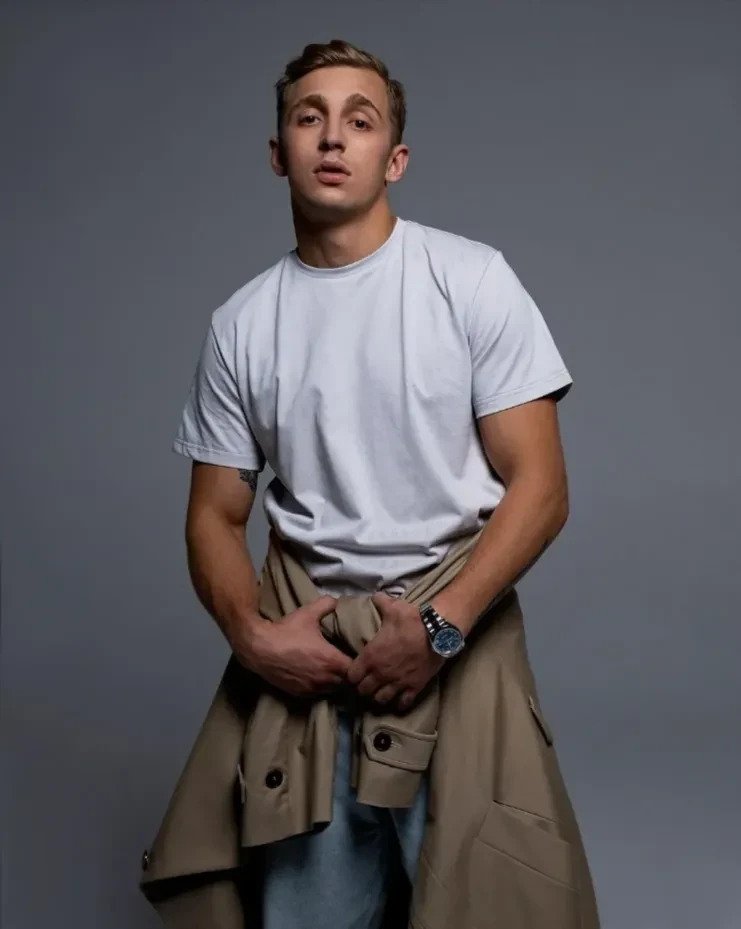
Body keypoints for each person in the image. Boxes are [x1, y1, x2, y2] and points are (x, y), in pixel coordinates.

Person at [147, 38, 599, 929]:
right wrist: (253, 637)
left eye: (359, 121)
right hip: (310, 669)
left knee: (487, 902)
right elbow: (214, 514)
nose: (331, 137)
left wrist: (439, 628)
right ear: (277, 152)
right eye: (308, 117)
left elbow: (541, 486)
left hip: (453, 649)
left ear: (393, 158)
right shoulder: (242, 324)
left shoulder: (467, 279)